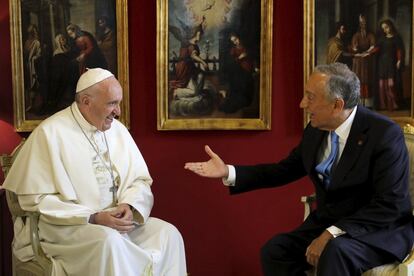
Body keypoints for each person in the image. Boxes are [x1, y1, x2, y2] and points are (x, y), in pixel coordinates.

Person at [184, 63, 414, 275]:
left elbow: (389, 204)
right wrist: (229, 172)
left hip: (377, 231)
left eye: (310, 97)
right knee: (275, 251)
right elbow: (284, 170)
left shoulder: (384, 134)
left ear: (337, 105)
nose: (302, 104)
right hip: (329, 224)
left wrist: (331, 233)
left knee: (335, 251)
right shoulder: (316, 130)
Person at [2, 68, 187, 275]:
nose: (118, 111)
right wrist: (93, 217)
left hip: (116, 221)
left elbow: (139, 180)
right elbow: (36, 199)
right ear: (86, 101)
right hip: (68, 228)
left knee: (168, 234)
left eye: (118, 102)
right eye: (111, 104)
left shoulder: (118, 130)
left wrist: (129, 205)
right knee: (109, 242)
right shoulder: (50, 133)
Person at [371, 19, 404, 112]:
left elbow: (399, 50)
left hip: (391, 64)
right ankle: (383, 105)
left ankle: (393, 104)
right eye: (383, 28)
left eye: (386, 27)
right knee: (381, 85)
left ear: (390, 26)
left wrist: (399, 60)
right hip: (382, 63)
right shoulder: (382, 39)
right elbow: (376, 49)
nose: (385, 30)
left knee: (390, 85)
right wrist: (368, 52)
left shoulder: (396, 38)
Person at [350, 14, 376, 108]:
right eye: (361, 23)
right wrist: (355, 48)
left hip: (367, 61)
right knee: (358, 81)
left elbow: (373, 45)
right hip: (358, 62)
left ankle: (368, 104)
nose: (363, 25)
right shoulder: (356, 35)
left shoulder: (370, 35)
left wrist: (367, 52)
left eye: (364, 23)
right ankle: (358, 103)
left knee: (367, 81)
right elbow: (353, 48)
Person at [23, 24, 42, 112]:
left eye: (34, 31)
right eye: (32, 32)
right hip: (27, 65)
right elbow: (25, 54)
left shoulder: (37, 42)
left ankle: (33, 105)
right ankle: (29, 104)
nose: (33, 33)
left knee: (33, 85)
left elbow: (38, 54)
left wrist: (35, 57)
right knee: (28, 85)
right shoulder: (27, 42)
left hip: (34, 66)